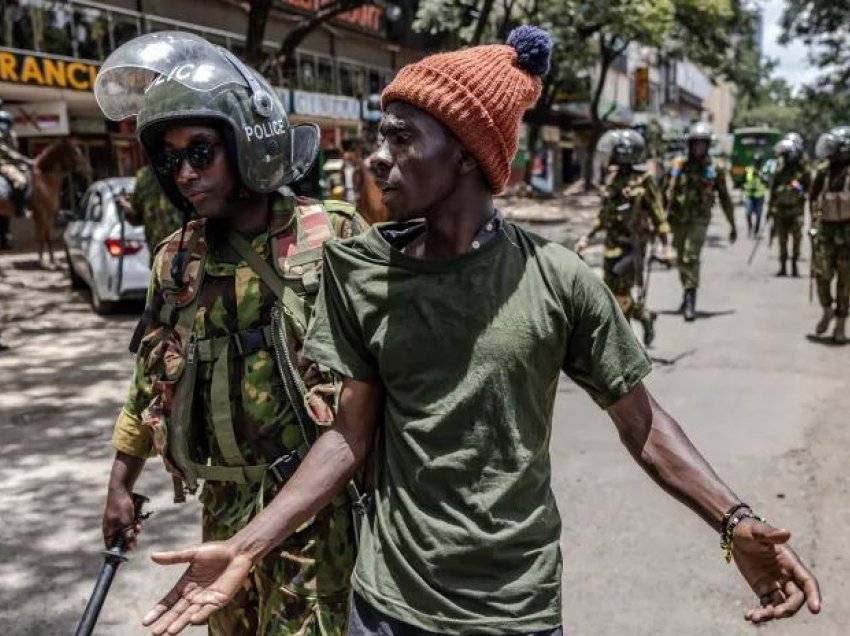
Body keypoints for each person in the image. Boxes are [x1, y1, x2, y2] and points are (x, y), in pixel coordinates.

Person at [141, 26, 821, 636]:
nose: (378, 158)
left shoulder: (557, 279)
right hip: (385, 608)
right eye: (382, 135)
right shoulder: (358, 272)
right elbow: (348, 436)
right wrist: (246, 547)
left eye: (402, 138)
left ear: (466, 154)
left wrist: (733, 524)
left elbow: (642, 424)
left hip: (514, 611)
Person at [94, 32, 367, 634]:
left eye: (200, 152)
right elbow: (149, 380)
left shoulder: (333, 238)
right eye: (169, 160)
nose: (185, 174)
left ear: (249, 141)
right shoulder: (177, 258)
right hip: (223, 507)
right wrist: (120, 484)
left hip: (312, 512)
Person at [575, 129, 670, 346]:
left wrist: (666, 245)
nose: (607, 157)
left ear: (625, 154)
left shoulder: (644, 181)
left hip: (631, 248)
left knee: (619, 296)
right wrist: (587, 237)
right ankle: (644, 316)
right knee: (610, 295)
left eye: (612, 153)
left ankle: (622, 347)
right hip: (611, 246)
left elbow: (658, 213)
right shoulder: (612, 179)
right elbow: (604, 215)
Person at [666, 121, 737, 321]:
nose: (698, 148)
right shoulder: (678, 165)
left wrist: (732, 224)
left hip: (699, 220)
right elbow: (664, 194)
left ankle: (691, 300)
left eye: (702, 144)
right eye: (695, 143)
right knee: (681, 259)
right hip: (678, 220)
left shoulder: (714, 169)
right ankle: (686, 290)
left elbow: (725, 198)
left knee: (690, 256)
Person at [809, 125, 850, 343]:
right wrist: (813, 223)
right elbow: (813, 198)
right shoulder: (823, 171)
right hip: (825, 234)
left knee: (845, 283)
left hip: (848, 238)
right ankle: (827, 309)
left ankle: (841, 325)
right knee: (821, 276)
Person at [768, 138, 811, 277]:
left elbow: (811, 191)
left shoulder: (803, 170)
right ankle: (783, 266)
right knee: (782, 240)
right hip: (780, 210)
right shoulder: (780, 170)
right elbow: (773, 191)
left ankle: (794, 265)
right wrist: (770, 209)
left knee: (797, 240)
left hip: (796, 211)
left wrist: (817, 216)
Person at [126, 163, 185, 259]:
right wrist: (128, 211)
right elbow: (137, 217)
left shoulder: (181, 168)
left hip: (187, 254)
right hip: (158, 255)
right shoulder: (144, 176)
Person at [0, 106, 33, 243]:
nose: (4, 126)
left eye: (6, 123)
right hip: (3, 163)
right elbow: (8, 152)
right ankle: (20, 208)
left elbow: (14, 152)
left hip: (12, 163)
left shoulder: (11, 135)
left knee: (29, 175)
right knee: (20, 180)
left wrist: (24, 163)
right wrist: (25, 160)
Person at [743, 153, 768, 238]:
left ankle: (756, 230)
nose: (757, 163)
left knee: (758, 214)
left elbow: (766, 181)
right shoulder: (748, 169)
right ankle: (750, 228)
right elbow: (744, 180)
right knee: (748, 213)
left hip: (759, 195)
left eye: (758, 162)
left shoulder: (764, 170)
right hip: (749, 195)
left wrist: (760, 175)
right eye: (756, 161)